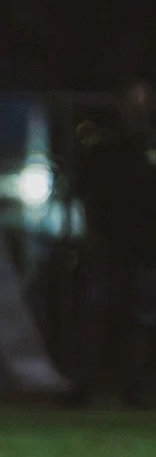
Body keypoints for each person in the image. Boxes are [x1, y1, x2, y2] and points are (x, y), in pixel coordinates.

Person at [70, 77, 156, 407]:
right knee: (98, 316)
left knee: (140, 319)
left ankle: (132, 388)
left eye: (141, 103)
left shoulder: (147, 149)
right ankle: (85, 386)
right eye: (131, 103)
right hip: (110, 245)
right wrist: (92, 233)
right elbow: (91, 194)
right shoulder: (107, 149)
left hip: (147, 249)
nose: (136, 110)